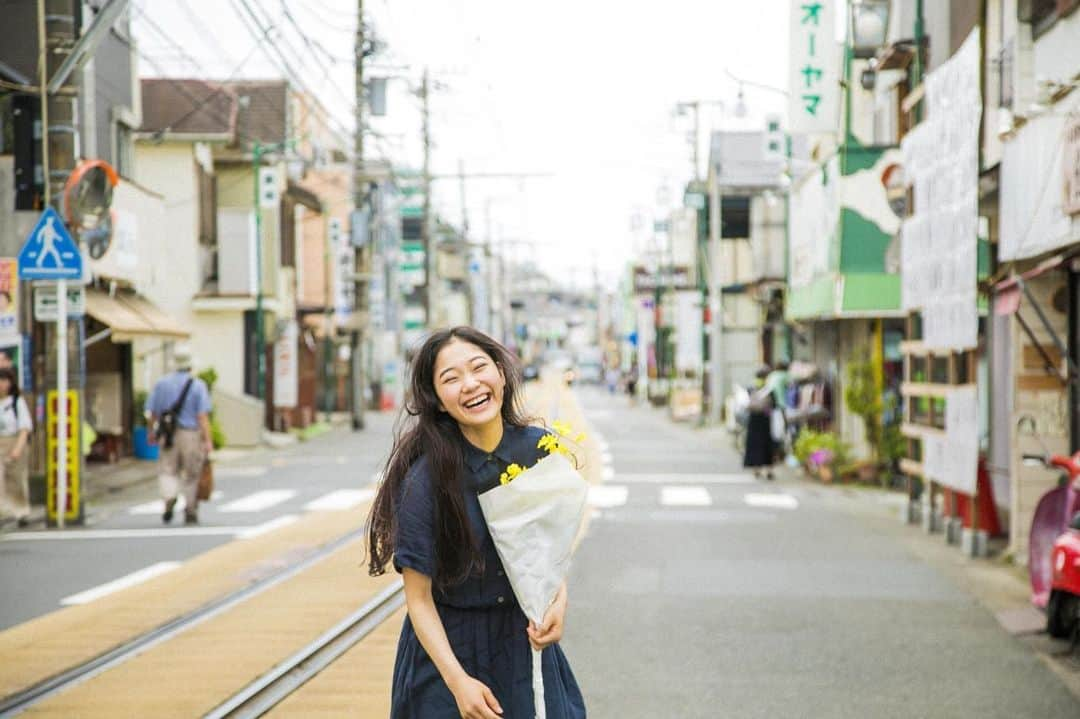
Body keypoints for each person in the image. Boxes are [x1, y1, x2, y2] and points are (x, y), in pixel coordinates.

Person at [367, 326, 586, 719]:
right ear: (436, 400)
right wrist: (457, 683)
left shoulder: (537, 450)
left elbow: (545, 549)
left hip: (522, 647)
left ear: (501, 373)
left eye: (478, 368)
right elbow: (418, 599)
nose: (470, 384)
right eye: (451, 378)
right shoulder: (427, 479)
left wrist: (558, 599)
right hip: (451, 654)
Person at [146, 343, 212, 525]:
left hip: (167, 434)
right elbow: (202, 416)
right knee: (191, 473)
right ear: (190, 364)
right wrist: (207, 440)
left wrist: (151, 432)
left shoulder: (161, 384)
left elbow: (152, 412)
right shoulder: (198, 386)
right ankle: (190, 509)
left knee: (167, 469)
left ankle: (169, 498)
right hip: (190, 434)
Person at [0, 367, 32, 527]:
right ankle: (3, 511)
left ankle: (21, 512)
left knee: (16, 480)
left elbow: (25, 427)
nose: (1, 384)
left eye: (4, 381)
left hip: (15, 441)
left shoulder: (16, 401)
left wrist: (18, 449)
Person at [743, 366, 776, 480]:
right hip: (765, 421)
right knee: (766, 444)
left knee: (754, 444)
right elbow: (775, 406)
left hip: (753, 420)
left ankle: (756, 469)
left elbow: (744, 404)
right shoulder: (769, 390)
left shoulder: (750, 389)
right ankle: (769, 470)